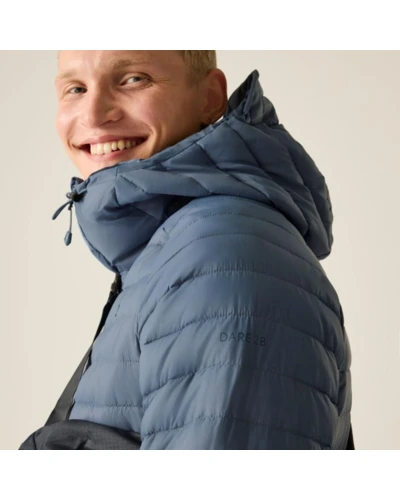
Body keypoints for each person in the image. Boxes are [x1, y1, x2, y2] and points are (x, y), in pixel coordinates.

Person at [20, 50, 353, 450]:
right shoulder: (177, 248)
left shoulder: (221, 259)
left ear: (209, 98)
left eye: (133, 79)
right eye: (76, 88)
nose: (93, 115)